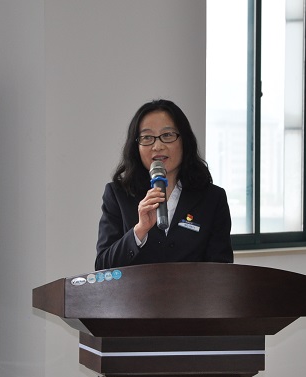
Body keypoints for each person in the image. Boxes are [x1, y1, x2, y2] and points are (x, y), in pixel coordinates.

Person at [95, 99, 233, 270]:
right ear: (136, 146)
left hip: (192, 289)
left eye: (167, 135)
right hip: (135, 289)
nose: (158, 146)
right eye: (147, 137)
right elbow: (103, 266)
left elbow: (222, 270)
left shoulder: (213, 198)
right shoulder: (118, 194)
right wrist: (139, 230)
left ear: (184, 141)